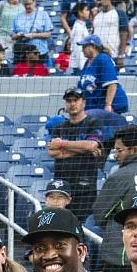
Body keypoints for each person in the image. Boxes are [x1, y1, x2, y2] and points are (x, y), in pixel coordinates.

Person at [46, 89, 106, 219]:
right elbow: (52, 152)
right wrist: (83, 148)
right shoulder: (59, 127)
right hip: (61, 188)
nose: (72, 104)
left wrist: (62, 144)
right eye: (69, 101)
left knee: (82, 228)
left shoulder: (93, 123)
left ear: (83, 102)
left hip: (85, 187)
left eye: (76, 100)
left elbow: (92, 145)